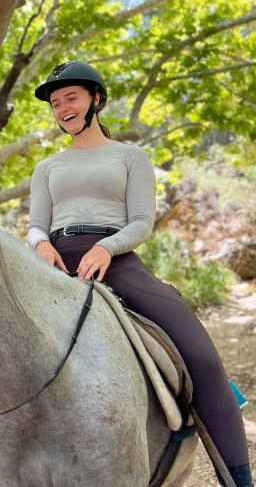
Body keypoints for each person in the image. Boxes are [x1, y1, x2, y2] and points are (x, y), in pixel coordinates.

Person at [27, 61, 252, 487]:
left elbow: (142, 222)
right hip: (55, 264)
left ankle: (239, 479)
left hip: (116, 260)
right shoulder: (47, 167)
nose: (63, 108)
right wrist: (40, 245)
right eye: (55, 103)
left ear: (96, 99)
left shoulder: (130, 156)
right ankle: (0, 468)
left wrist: (105, 247)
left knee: (202, 358)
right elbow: (37, 224)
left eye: (71, 98)